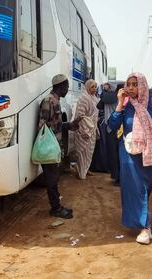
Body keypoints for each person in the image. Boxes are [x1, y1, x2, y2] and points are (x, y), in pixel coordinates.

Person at [107, 72, 152, 244]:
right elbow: (111, 126)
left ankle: (145, 226)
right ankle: (143, 225)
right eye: (129, 84)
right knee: (131, 190)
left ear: (142, 85)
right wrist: (119, 103)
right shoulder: (126, 104)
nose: (131, 88)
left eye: (135, 84)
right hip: (128, 155)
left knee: (143, 189)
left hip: (147, 154)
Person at [38, 74, 81, 219]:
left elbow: (56, 124)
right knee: (52, 179)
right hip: (49, 147)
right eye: (67, 87)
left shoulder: (55, 101)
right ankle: (55, 209)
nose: (68, 90)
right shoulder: (48, 101)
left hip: (55, 146)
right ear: (60, 87)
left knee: (54, 178)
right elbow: (43, 125)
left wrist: (70, 125)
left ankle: (56, 206)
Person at [74, 79, 99, 180]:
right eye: (92, 87)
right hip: (83, 129)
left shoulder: (94, 98)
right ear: (87, 87)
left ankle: (86, 169)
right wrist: (84, 131)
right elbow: (80, 116)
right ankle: (81, 172)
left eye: (95, 87)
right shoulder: (84, 98)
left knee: (89, 151)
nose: (94, 89)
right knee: (82, 151)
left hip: (92, 129)